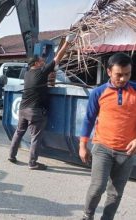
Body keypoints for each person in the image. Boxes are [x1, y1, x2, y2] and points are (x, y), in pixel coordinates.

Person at [79, 53, 136, 220]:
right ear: (109, 71)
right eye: (119, 74)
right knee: (97, 187)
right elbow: (88, 119)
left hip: (127, 152)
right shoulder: (98, 92)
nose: (124, 78)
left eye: (127, 74)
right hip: (102, 148)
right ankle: (87, 215)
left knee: (116, 193)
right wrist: (83, 145)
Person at [8, 33, 76, 170]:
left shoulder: (27, 74)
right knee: (36, 137)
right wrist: (67, 44)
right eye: (41, 60)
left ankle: (11, 155)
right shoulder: (42, 72)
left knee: (19, 131)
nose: (44, 61)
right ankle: (32, 163)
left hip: (22, 109)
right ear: (36, 63)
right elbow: (57, 58)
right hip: (35, 111)